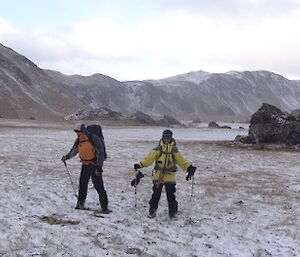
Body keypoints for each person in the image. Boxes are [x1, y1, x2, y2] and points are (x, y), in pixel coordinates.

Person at [131, 129, 196, 219]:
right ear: (162, 137)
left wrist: (189, 167)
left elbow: (181, 160)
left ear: (171, 138)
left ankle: (172, 213)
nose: (167, 139)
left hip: (170, 175)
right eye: (165, 137)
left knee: (171, 195)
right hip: (158, 175)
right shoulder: (157, 149)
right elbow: (148, 159)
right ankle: (152, 211)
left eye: (168, 137)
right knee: (156, 195)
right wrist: (140, 164)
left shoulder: (174, 150)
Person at [61, 124, 110, 213]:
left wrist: (99, 166)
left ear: (82, 131)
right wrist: (67, 157)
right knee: (82, 185)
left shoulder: (93, 138)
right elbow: (75, 150)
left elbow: (100, 152)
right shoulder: (79, 140)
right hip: (85, 165)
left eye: (78, 132)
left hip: (95, 165)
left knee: (99, 186)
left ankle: (104, 207)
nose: (77, 134)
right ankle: (80, 204)